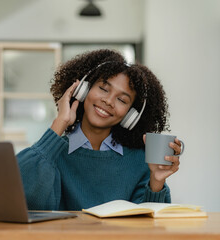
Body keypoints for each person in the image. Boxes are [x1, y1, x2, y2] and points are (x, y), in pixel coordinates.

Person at [16, 49, 183, 211]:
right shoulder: (51, 153)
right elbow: (19, 195)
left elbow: (149, 227)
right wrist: (60, 123)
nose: (109, 101)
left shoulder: (140, 160)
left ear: (131, 116)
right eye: (103, 89)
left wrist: (156, 181)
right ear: (83, 90)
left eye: (122, 100)